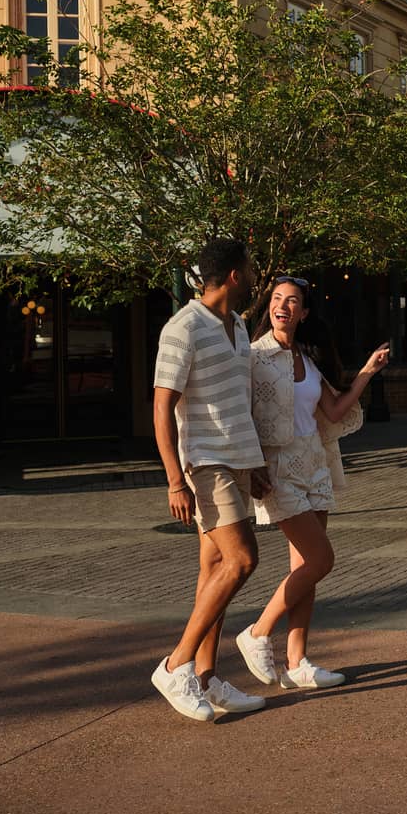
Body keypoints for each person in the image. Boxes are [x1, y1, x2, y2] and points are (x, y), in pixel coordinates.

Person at [235, 275, 390, 690]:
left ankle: (298, 661)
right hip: (278, 468)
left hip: (315, 466)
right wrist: (251, 467)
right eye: (277, 299)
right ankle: (257, 632)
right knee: (322, 559)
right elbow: (242, 414)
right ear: (270, 307)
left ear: (304, 313)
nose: (282, 306)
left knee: (306, 567)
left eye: (292, 301)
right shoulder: (253, 358)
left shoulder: (306, 358)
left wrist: (367, 372)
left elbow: (335, 411)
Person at [150, 238, 272, 721]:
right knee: (242, 560)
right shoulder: (183, 327)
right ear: (235, 275)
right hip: (206, 463)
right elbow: (161, 406)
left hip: (238, 460)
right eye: (252, 266)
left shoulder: (239, 325)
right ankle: (175, 665)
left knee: (214, 571)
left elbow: (237, 403)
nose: (256, 273)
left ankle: (205, 678)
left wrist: (255, 461)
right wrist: (174, 480)